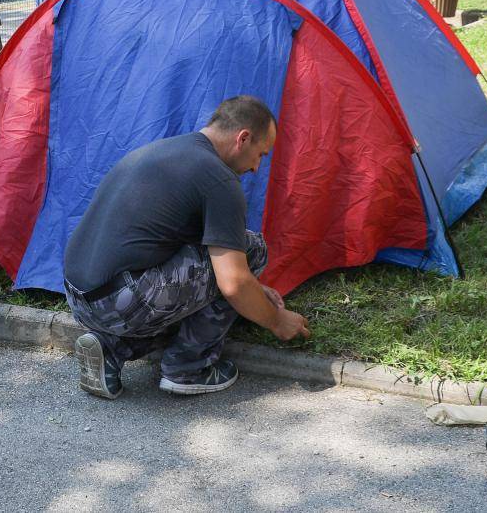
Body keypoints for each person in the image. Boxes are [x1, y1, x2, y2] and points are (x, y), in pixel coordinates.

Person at [63, 97, 310, 399]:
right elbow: (233, 283)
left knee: (213, 271)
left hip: (79, 297)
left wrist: (255, 291)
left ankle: (112, 349)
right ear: (242, 138)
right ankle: (188, 368)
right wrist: (276, 320)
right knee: (251, 248)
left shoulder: (164, 150)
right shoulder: (219, 179)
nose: (257, 167)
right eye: (260, 155)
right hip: (123, 301)